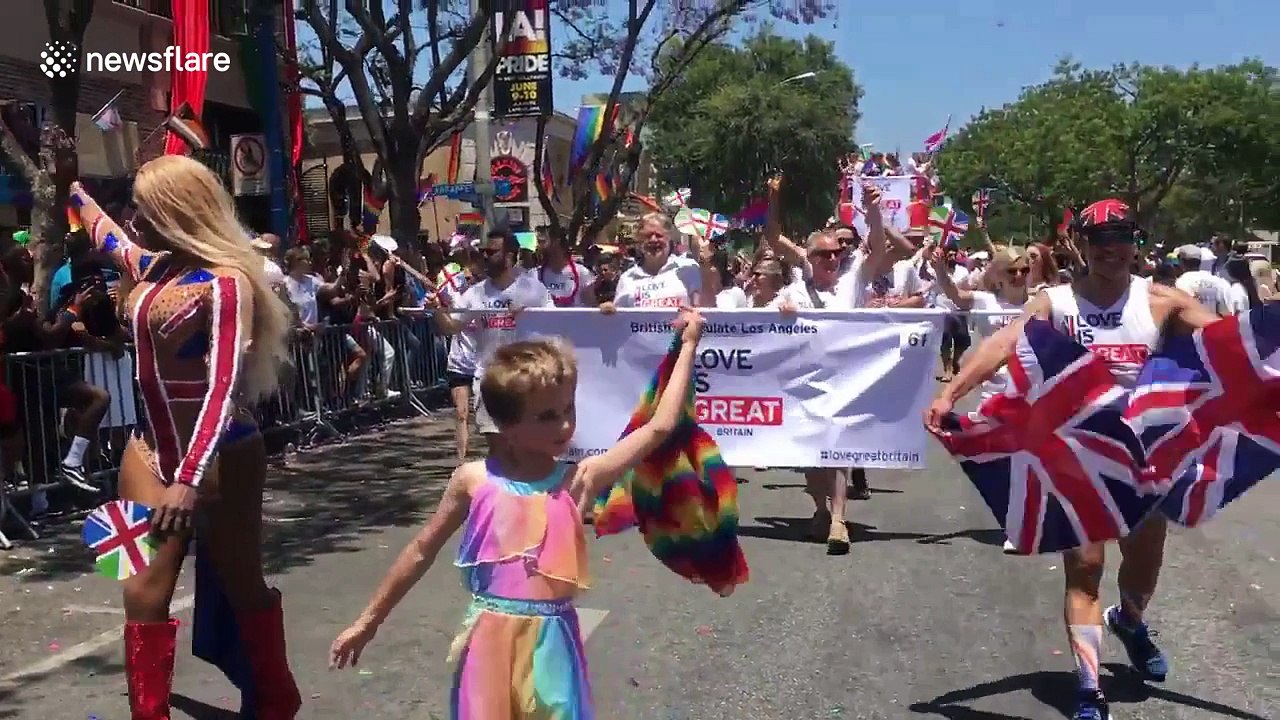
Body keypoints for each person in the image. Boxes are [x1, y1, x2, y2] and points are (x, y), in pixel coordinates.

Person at [329, 310, 707, 719]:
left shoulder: (579, 479)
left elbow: (659, 427)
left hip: (552, 646)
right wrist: (368, 621)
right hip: (490, 644)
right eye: (547, 416)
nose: (565, 425)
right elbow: (422, 550)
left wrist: (687, 345)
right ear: (505, 425)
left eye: (568, 409)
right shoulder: (473, 480)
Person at [925, 198, 1221, 720]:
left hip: (1146, 454)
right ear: (1081, 245)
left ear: (1136, 242)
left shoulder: (1160, 302)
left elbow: (1233, 344)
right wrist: (952, 392)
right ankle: (1089, 688)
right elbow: (1001, 343)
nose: (1112, 249)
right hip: (1077, 452)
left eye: (1122, 237)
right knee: (1085, 567)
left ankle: (1129, 620)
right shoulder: (1055, 304)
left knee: (1144, 561)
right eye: (1100, 240)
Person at [68, 154, 299, 720]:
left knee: (242, 580)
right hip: (147, 449)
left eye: (144, 207)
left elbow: (222, 386)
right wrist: (67, 185)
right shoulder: (150, 267)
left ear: (176, 209)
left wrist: (190, 480)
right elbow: (102, 230)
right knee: (139, 590)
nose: (134, 217)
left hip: (222, 454)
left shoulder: (227, 283)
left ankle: (274, 698)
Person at [427, 226, 553, 442]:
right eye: (484, 252)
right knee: (496, 445)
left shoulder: (533, 290)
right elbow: (452, 328)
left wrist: (529, 315)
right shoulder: (475, 294)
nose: (485, 256)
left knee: (523, 444)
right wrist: (436, 310)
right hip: (488, 379)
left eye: (492, 252)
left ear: (509, 257)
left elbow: (556, 323)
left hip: (524, 378)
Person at [607, 212, 716, 309]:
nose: (653, 240)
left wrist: (705, 263)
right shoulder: (627, 278)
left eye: (659, 235)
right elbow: (618, 320)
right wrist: (607, 312)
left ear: (669, 238)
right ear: (639, 241)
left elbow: (707, 310)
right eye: (647, 236)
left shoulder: (688, 269)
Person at [537, 228, 596, 307]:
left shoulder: (582, 272)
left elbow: (591, 305)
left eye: (543, 241)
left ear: (556, 242)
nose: (539, 246)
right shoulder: (537, 274)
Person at [1173, 244, 1231, 316]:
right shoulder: (1220, 282)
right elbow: (1227, 313)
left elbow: (1181, 312)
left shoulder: (1182, 282)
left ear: (1181, 262)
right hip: (1216, 325)